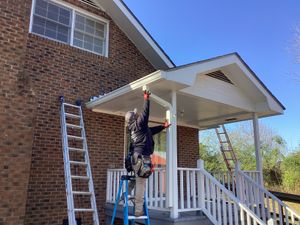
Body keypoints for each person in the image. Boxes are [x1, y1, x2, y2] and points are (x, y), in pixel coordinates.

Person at [125, 90, 171, 217]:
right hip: (141, 158)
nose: (138, 114)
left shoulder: (137, 128)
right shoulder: (139, 124)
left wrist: (163, 126)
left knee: (137, 179)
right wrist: (146, 99)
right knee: (141, 183)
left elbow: (151, 130)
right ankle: (138, 210)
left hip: (136, 158)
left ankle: (126, 194)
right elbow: (145, 115)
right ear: (134, 118)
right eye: (136, 114)